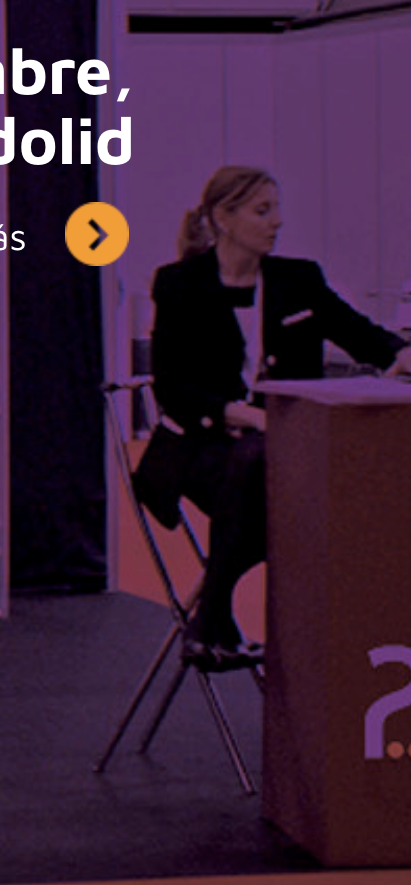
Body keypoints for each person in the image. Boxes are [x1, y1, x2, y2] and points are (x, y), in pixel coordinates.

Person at [136, 166, 411, 669]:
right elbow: (172, 387)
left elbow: (360, 333)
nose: (277, 222)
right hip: (198, 449)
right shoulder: (179, 284)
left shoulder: (298, 280)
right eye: (263, 211)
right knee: (265, 470)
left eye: (277, 209)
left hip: (277, 458)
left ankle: (210, 619)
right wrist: (244, 415)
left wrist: (400, 352)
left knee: (269, 477)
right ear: (223, 219)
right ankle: (217, 622)